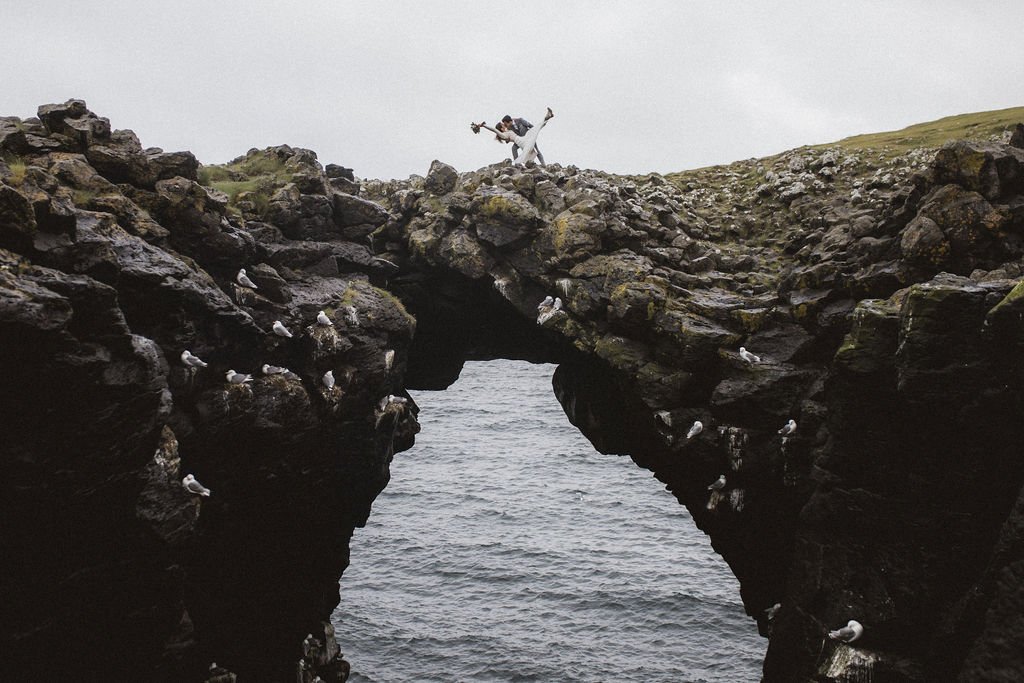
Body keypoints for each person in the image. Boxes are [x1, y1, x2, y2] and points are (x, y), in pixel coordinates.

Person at [471, 108, 553, 166]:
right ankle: (518, 165)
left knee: (537, 127)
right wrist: (484, 126)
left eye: (505, 124)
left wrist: (533, 132)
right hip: (523, 142)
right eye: (503, 125)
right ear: (501, 128)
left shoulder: (514, 125)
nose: (505, 125)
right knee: (516, 148)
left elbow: (528, 125)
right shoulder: (505, 134)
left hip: (525, 137)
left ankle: (548, 116)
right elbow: (494, 130)